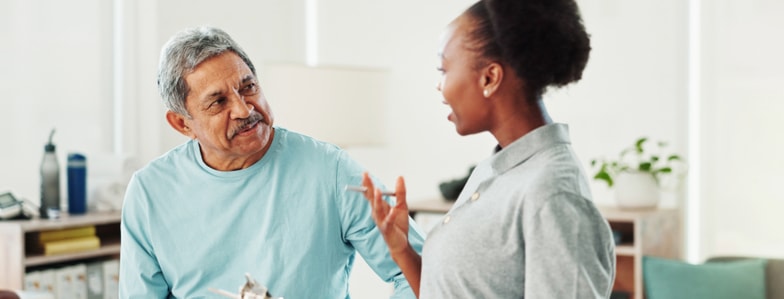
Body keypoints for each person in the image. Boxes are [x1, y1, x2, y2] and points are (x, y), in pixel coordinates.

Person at [119, 26, 425, 298]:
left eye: (248, 87)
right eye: (218, 102)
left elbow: (424, 276)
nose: (243, 109)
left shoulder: (330, 169)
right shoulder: (149, 191)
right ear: (182, 124)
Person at [359, 0, 616, 297]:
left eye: (444, 69)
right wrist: (402, 249)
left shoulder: (553, 195)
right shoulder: (497, 170)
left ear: (489, 78)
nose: (439, 87)